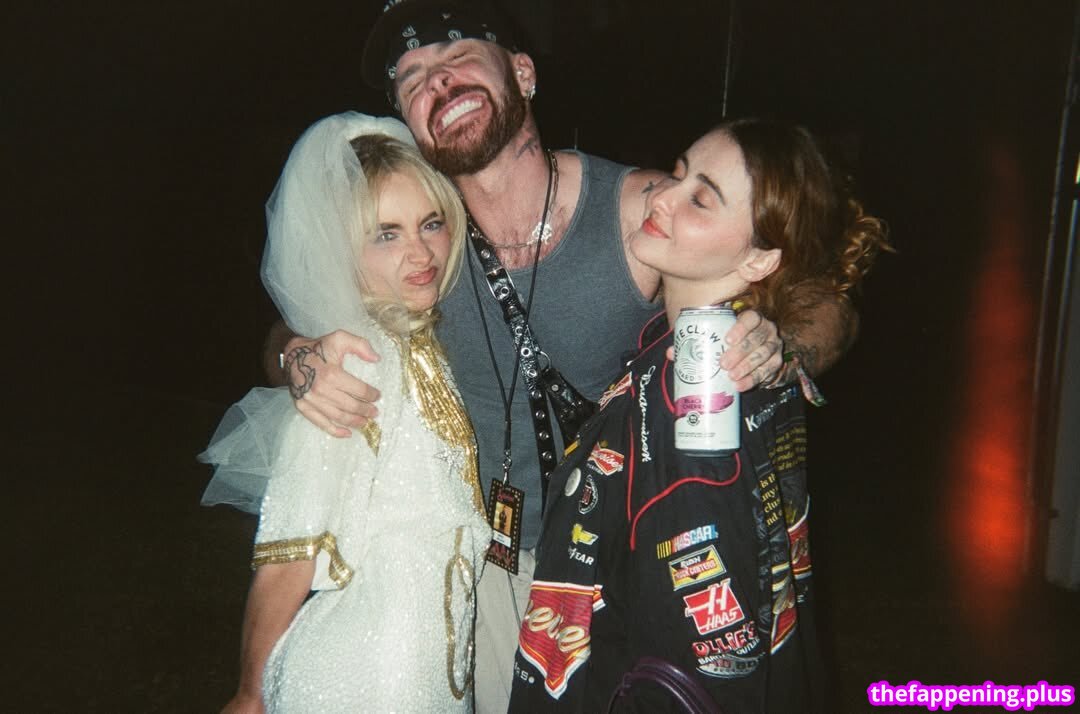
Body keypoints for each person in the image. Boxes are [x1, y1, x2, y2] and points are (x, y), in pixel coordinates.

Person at [267, 2, 859, 710]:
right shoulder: (420, 241)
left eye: (459, 54)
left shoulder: (637, 211)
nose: (439, 81)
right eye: (413, 78)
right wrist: (299, 359)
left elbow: (826, 298)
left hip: (613, 569)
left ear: (523, 72)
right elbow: (295, 322)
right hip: (480, 566)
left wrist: (782, 344)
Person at [508, 119, 890, 713]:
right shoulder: (752, 356)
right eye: (678, 174)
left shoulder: (700, 395)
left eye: (701, 200)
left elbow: (697, 665)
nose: (661, 197)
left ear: (761, 258)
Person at [201, 112, 490, 713]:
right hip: (364, 678)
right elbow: (289, 551)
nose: (420, 252)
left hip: (428, 671)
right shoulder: (353, 361)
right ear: (341, 250)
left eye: (430, 223)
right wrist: (250, 693)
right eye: (386, 234)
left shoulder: (419, 345)